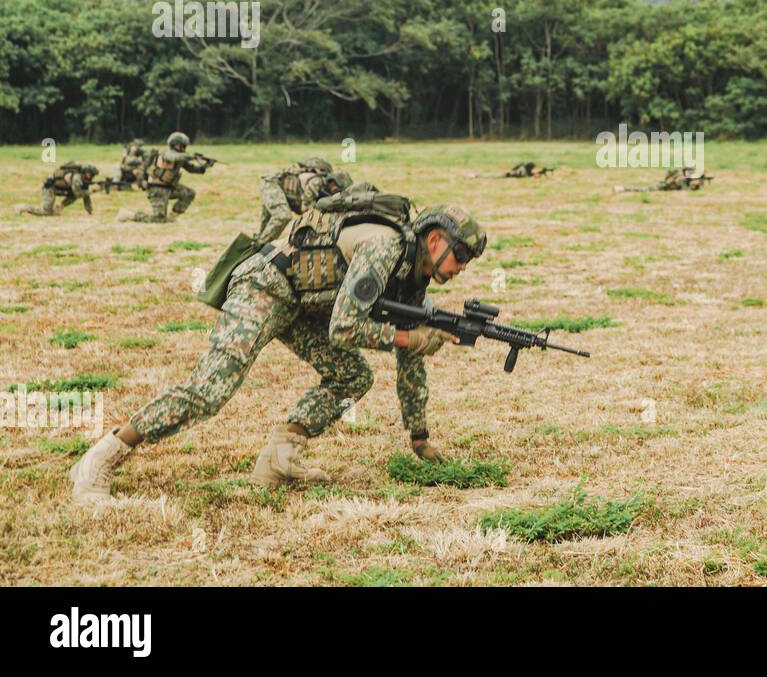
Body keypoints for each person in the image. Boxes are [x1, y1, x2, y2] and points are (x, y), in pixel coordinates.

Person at [70, 202, 487, 503]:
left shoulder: (412, 276)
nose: (463, 266)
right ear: (434, 240)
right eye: (462, 255)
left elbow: (409, 362)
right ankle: (102, 458)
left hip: (305, 307)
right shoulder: (384, 250)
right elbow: (345, 327)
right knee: (210, 390)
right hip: (265, 288)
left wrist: (419, 438)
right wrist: (408, 337)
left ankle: (279, 458)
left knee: (353, 377)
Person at [116, 132, 212, 223]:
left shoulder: (181, 157)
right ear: (174, 145)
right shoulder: (166, 154)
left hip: (169, 187)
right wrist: (192, 157)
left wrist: (205, 165)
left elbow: (192, 169)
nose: (184, 148)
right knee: (159, 219)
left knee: (189, 193)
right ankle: (129, 215)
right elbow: (174, 157)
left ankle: (172, 218)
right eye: (182, 146)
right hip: (157, 189)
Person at [253, 158, 352, 243]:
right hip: (272, 185)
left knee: (265, 231)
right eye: (336, 188)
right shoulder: (316, 182)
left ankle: (259, 245)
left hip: (282, 193)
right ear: (333, 181)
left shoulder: (327, 190)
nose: (335, 191)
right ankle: (259, 247)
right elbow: (305, 207)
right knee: (283, 216)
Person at [15, 163, 98, 216]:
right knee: (45, 212)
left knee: (74, 194)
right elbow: (79, 194)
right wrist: (93, 190)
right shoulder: (77, 178)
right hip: (50, 188)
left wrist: (89, 211)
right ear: (86, 173)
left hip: (60, 189)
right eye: (91, 174)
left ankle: (58, 208)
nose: (92, 177)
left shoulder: (83, 180)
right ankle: (22, 207)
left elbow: (85, 196)